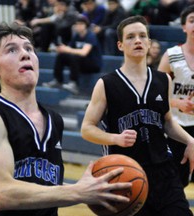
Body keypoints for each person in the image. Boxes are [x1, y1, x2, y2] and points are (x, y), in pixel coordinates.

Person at [0, 22, 132, 216]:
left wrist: (90, 188)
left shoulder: (54, 120)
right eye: (11, 50)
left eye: (29, 48)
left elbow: (42, 185)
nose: (25, 54)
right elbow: (2, 194)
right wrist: (76, 192)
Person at [81, 15, 194, 215]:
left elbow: (167, 122)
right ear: (120, 45)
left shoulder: (163, 80)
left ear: (150, 43)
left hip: (164, 171)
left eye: (142, 36)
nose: (138, 40)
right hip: (124, 173)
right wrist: (115, 138)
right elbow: (87, 129)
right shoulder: (106, 84)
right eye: (131, 37)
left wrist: (189, 140)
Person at [158, 5, 194, 187]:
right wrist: (177, 102)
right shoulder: (171, 55)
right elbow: (155, 94)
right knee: (177, 180)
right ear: (184, 26)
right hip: (177, 127)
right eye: (192, 20)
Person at [42, 14, 102, 94]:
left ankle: (74, 84)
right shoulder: (76, 36)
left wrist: (67, 49)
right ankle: (58, 80)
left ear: (86, 25)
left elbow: (84, 52)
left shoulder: (91, 35)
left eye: (81, 24)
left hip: (93, 64)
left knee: (75, 57)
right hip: (80, 62)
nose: (78, 26)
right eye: (77, 24)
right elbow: (69, 49)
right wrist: (61, 49)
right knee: (62, 56)